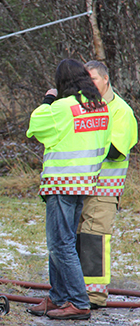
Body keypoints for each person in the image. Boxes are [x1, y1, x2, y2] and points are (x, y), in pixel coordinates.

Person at [26, 58, 111, 320]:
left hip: (62, 184)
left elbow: (36, 126)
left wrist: (48, 99)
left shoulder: (63, 107)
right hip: (85, 183)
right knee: (64, 242)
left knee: (60, 244)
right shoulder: (99, 107)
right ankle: (59, 297)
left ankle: (77, 301)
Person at [77, 60, 138, 309]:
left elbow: (114, 151)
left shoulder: (121, 111)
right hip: (79, 187)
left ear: (106, 80)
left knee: (94, 239)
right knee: (78, 239)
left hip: (103, 190)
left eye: (93, 80)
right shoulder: (83, 106)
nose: (88, 85)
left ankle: (94, 297)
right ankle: (78, 290)